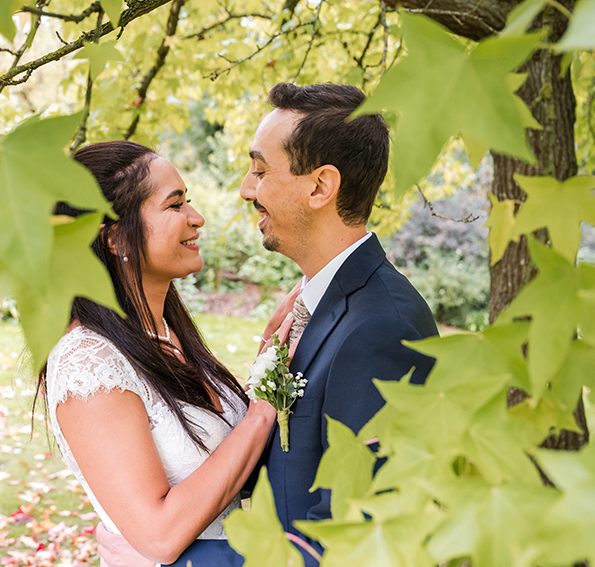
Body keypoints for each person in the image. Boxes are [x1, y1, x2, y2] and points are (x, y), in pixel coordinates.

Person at [97, 83, 439, 566]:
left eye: (260, 170)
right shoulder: (316, 307)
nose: (245, 189)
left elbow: (358, 538)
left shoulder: (381, 327)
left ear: (320, 187)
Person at [36, 141, 291, 566]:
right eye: (175, 205)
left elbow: (229, 462)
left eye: (187, 200)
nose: (197, 217)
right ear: (116, 237)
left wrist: (268, 357)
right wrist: (263, 410)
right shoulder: (89, 363)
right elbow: (159, 535)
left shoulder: (166, 333)